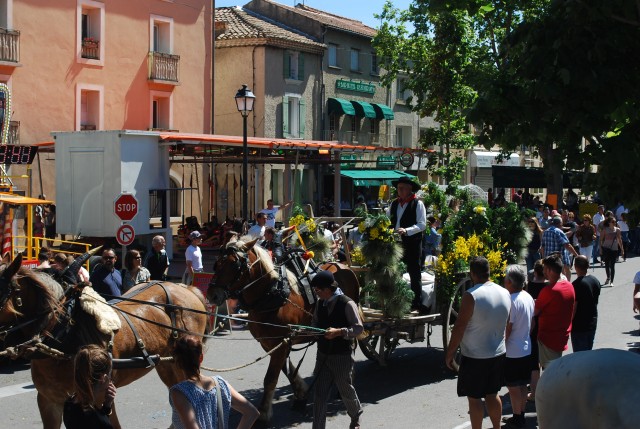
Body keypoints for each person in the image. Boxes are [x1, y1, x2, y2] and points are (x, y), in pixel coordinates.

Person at [445, 256, 511, 429]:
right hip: (497, 353)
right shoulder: (504, 292)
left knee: (474, 399)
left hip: (475, 356)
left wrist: (450, 354)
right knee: (492, 394)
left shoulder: (471, 295)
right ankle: (497, 427)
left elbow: (459, 327)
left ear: (472, 274)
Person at [170, 334, 259, 429]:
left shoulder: (179, 393)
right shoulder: (220, 384)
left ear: (177, 361)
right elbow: (252, 413)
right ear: (201, 358)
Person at [311, 270, 363, 429]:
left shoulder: (347, 303)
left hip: (341, 356)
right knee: (319, 395)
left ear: (328, 289)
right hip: (323, 355)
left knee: (345, 391)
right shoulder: (320, 303)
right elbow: (315, 323)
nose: (316, 293)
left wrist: (339, 332)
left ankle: (355, 416)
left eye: (318, 290)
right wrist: (310, 331)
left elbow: (358, 329)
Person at [386, 177, 426, 311]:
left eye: (403, 188)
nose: (400, 190)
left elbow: (422, 224)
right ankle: (396, 302)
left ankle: (416, 304)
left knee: (414, 274)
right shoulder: (394, 204)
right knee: (395, 272)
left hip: (412, 244)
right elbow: (387, 221)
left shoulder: (417, 204)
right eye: (399, 188)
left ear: (410, 189)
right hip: (396, 244)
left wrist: (407, 230)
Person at [502, 265, 534, 429]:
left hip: (513, 351)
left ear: (509, 282)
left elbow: (508, 328)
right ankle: (520, 414)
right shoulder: (527, 297)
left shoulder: (511, 301)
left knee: (513, 387)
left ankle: (517, 417)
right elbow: (533, 323)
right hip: (525, 347)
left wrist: (502, 344)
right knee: (521, 385)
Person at [533, 253, 575, 370]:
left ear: (550, 270)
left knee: (550, 373)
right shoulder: (569, 285)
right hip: (561, 336)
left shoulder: (549, 291)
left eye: (545, 269)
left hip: (548, 338)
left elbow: (534, 311)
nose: (543, 272)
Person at [63, 345, 116, 429]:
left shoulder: (69, 404)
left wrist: (107, 406)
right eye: (110, 375)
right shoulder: (98, 420)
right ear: (104, 378)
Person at [571, 255, 601, 351]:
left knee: (580, 357)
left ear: (575, 266)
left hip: (579, 326)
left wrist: (568, 324)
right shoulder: (595, 281)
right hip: (592, 322)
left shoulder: (576, 285)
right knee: (588, 352)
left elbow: (574, 308)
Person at [540, 216, 578, 281]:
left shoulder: (545, 232)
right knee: (565, 271)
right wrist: (576, 255)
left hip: (549, 257)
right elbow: (567, 245)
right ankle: (567, 284)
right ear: (560, 223)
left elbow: (542, 247)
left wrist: (544, 258)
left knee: (552, 273)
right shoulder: (558, 232)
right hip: (560, 257)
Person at [599, 217, 624, 286]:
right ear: (609, 223)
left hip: (614, 249)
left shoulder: (617, 230)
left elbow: (619, 240)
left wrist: (622, 250)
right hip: (606, 249)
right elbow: (600, 240)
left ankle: (611, 281)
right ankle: (608, 277)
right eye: (612, 222)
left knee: (612, 265)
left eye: (615, 222)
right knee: (607, 265)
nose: (614, 223)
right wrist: (600, 249)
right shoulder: (605, 230)